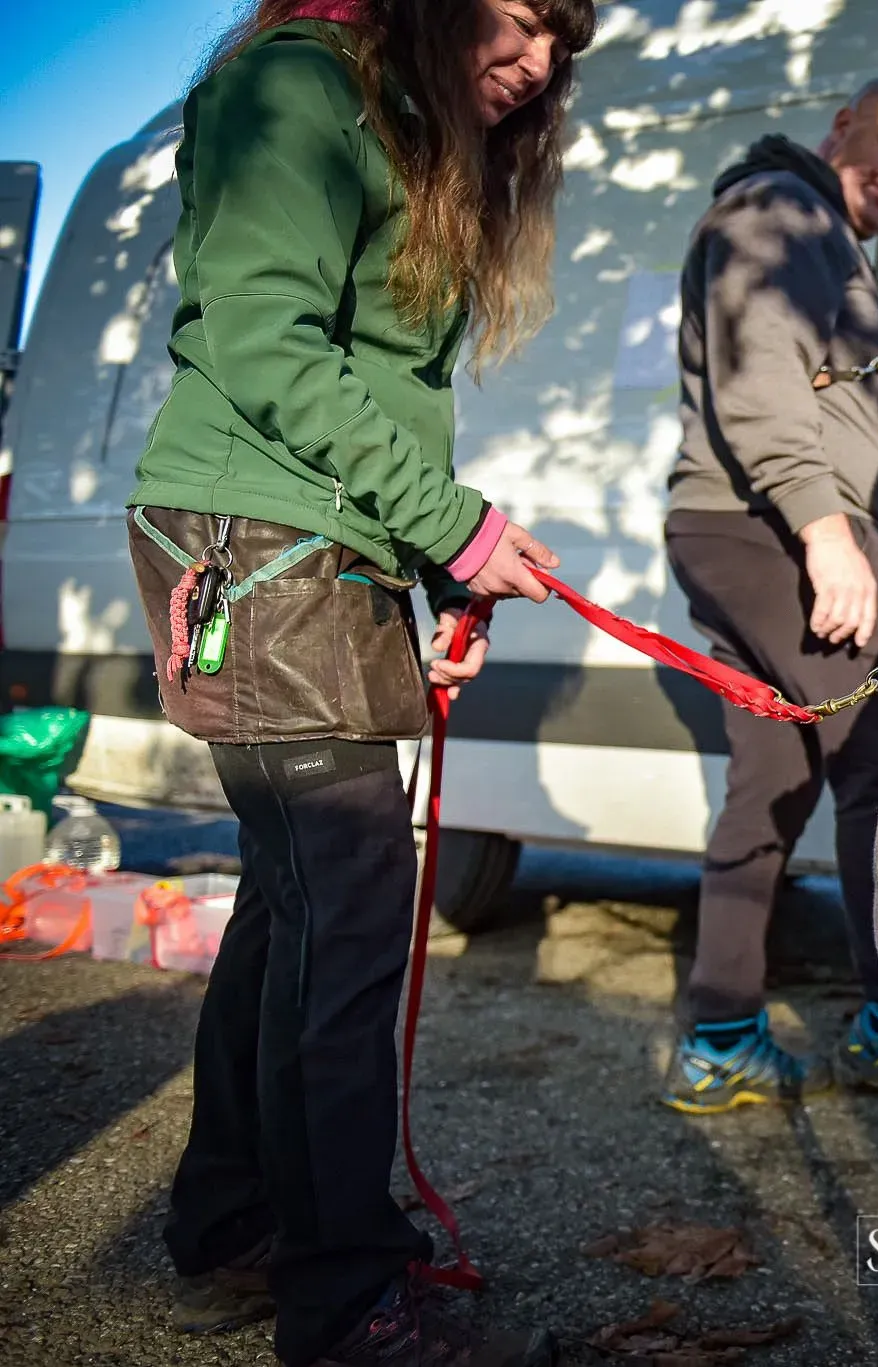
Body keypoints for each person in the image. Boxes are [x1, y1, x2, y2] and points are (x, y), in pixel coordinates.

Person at [125, 1, 593, 1363]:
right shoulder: (295, 85)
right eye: (521, 18)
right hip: (254, 542)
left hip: (309, 542)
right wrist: (452, 525)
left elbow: (372, 393)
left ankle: (231, 1227)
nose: (538, 64)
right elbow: (266, 343)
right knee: (347, 912)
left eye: (562, 43)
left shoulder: (396, 118)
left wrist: (440, 565)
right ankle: (343, 1300)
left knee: (294, 910)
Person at [659, 80, 878, 1115]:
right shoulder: (781, 213)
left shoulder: (812, 228)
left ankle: (722, 1037)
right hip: (780, 532)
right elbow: (761, 380)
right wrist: (826, 532)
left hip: (746, 530)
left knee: (769, 782)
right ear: (841, 126)